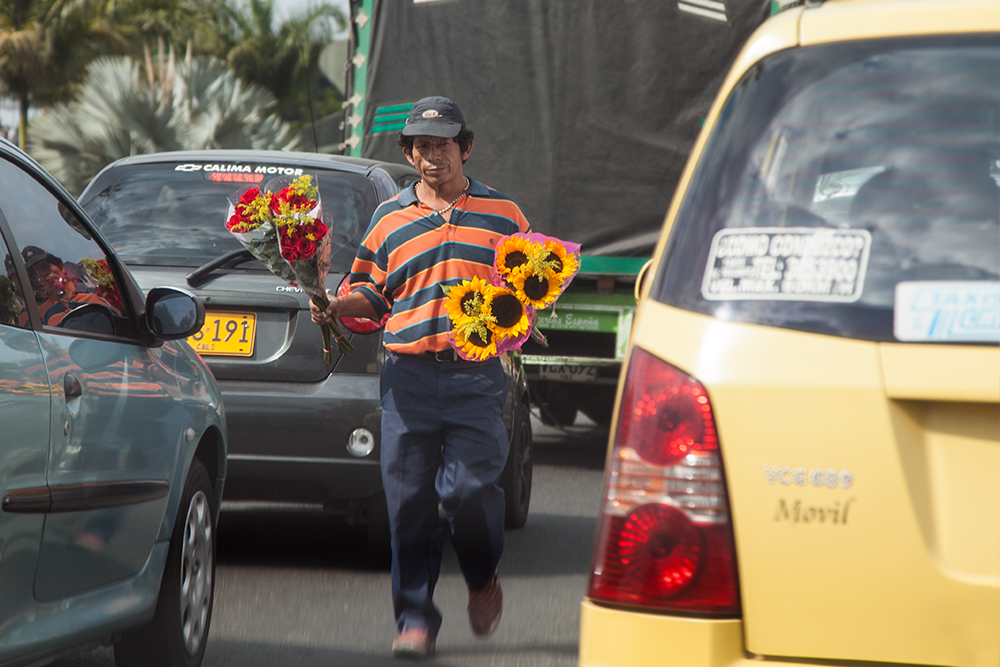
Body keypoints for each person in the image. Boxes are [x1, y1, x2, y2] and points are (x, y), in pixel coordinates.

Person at [310, 96, 531, 660]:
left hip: (477, 379)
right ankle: (415, 619)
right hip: (406, 378)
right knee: (406, 505)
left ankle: (481, 576)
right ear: (409, 154)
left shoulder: (505, 215)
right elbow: (371, 294)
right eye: (422, 146)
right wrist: (335, 305)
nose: (434, 156)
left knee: (470, 491)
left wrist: (519, 318)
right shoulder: (390, 219)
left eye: (444, 144)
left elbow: (530, 290)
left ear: (466, 148)